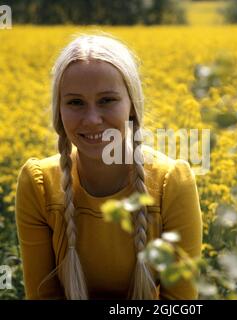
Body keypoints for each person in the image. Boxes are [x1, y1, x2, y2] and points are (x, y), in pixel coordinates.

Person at [15, 32, 203, 300]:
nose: (92, 119)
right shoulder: (38, 184)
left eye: (107, 100)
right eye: (75, 102)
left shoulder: (171, 183)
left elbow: (180, 302)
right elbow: (42, 295)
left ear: (132, 106)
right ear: (59, 110)